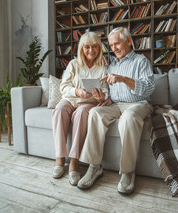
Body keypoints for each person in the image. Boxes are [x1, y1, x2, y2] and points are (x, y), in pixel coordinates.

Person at [77, 27, 155, 195]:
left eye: (117, 43)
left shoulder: (141, 61)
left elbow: (148, 89)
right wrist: (103, 99)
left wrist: (123, 79)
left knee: (129, 117)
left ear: (128, 41)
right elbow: (111, 93)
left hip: (138, 104)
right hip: (116, 104)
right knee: (95, 113)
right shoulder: (112, 65)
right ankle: (94, 166)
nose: (114, 48)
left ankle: (127, 172)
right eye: (111, 45)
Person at [52, 32, 107, 186]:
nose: (91, 50)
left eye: (95, 46)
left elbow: (106, 90)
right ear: (82, 48)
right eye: (87, 47)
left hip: (88, 103)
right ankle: (60, 159)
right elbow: (64, 86)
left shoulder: (103, 66)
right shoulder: (74, 64)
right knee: (59, 110)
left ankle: (74, 162)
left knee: (82, 113)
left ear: (99, 47)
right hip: (71, 99)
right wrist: (77, 91)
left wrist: (101, 97)